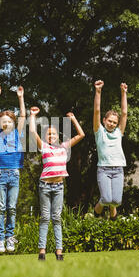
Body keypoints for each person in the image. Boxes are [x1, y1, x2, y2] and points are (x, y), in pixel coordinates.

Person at [29, 107, 85, 261]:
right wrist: (32, 115)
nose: (51, 136)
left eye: (53, 133)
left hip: (59, 186)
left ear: (57, 136)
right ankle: (42, 251)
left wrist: (73, 119)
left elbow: (81, 134)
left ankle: (59, 251)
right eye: (48, 134)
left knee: (57, 218)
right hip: (45, 187)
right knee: (45, 218)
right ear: (45, 137)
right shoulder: (44, 147)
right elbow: (33, 132)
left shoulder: (64, 147)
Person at [0, 86, 26, 253]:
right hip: (0, 174)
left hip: (14, 174)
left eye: (9, 120)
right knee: (1, 207)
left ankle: (10, 237)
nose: (6, 122)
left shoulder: (17, 133)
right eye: (3, 120)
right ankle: (0, 239)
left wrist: (20, 97)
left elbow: (23, 115)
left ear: (13, 123)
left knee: (11, 207)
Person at [92, 80, 128, 220]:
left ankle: (113, 212)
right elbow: (96, 111)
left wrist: (123, 93)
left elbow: (124, 113)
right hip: (104, 169)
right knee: (106, 199)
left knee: (117, 201)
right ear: (104, 120)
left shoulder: (119, 132)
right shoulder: (99, 131)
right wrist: (98, 92)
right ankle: (97, 214)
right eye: (110, 121)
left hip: (118, 169)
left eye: (114, 122)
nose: (112, 124)